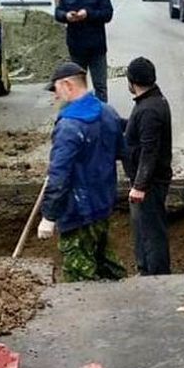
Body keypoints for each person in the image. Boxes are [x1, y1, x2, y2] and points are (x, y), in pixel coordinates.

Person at [37, 61, 127, 282]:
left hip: (77, 212)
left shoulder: (69, 126)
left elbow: (59, 176)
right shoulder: (108, 112)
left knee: (79, 280)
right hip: (103, 204)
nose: (56, 96)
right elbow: (121, 152)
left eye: (56, 89)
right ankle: (124, 303)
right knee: (104, 260)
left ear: (67, 84)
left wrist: (49, 216)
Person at [122, 57, 173, 276]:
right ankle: (145, 270)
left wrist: (140, 186)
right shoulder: (149, 103)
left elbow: (149, 151)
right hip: (144, 182)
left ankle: (158, 276)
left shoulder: (149, 110)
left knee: (152, 232)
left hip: (150, 184)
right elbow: (139, 133)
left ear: (132, 81)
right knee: (143, 229)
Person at [55, 0, 114, 102]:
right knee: (77, 87)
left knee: (100, 86)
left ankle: (100, 115)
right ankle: (80, 115)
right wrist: (66, 16)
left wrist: (89, 14)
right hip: (76, 47)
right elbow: (58, 13)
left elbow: (108, 14)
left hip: (96, 48)